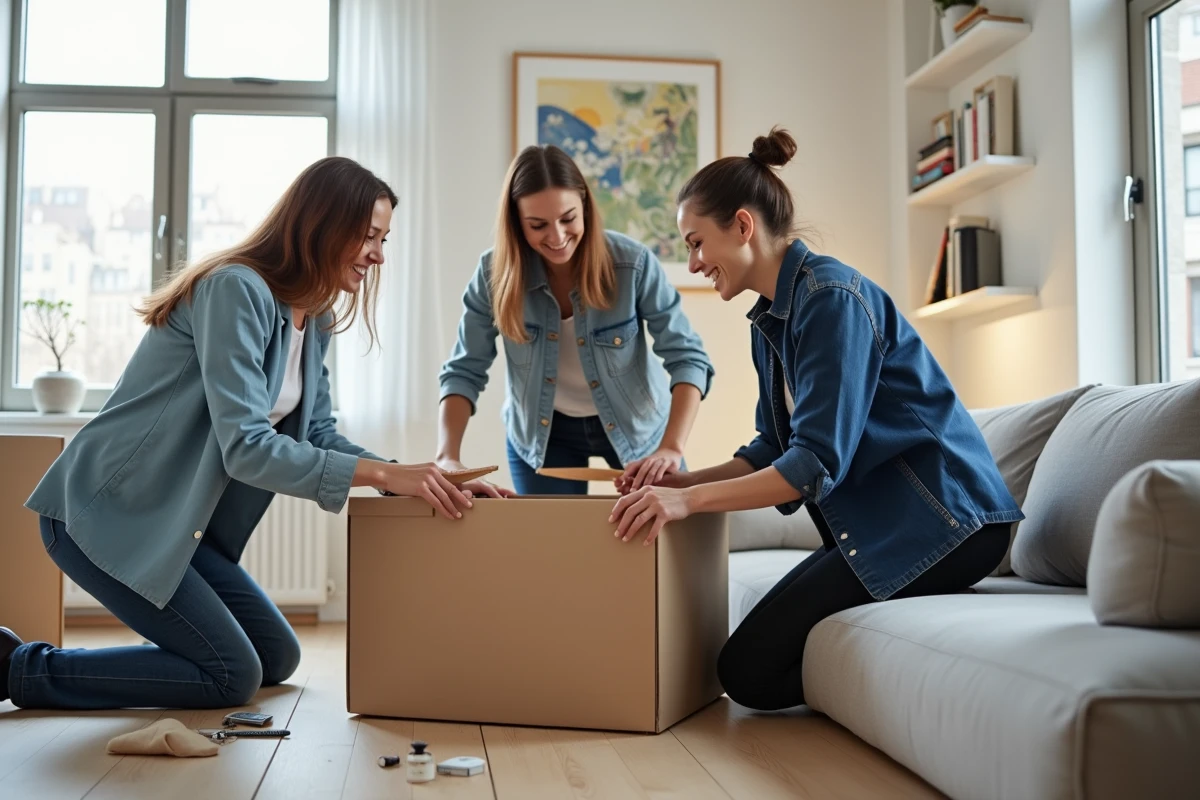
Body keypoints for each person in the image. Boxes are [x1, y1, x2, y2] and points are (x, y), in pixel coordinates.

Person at [1, 157, 483, 711]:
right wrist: (382, 474)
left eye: (384, 238)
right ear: (323, 224)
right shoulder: (236, 290)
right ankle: (16, 669)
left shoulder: (315, 317)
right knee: (232, 675)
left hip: (176, 526)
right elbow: (246, 447)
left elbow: (318, 431)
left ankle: (160, 651)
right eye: (369, 236)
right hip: (108, 513)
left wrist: (417, 479)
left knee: (276, 659)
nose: (378, 254)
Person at [608, 128, 1023, 711]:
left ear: (744, 226)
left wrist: (687, 504)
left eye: (697, 243)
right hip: (890, 526)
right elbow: (770, 446)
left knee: (747, 671)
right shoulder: (772, 319)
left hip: (950, 523)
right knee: (743, 667)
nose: (695, 263)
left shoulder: (831, 298)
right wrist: (681, 482)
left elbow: (813, 465)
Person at [436, 144, 715, 496]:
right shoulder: (493, 274)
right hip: (543, 435)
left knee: (658, 542)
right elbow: (464, 370)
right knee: (555, 549)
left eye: (567, 219)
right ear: (516, 223)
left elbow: (688, 359)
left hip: (637, 426)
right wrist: (448, 457)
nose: (556, 237)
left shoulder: (632, 264)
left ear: (584, 205)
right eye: (538, 225)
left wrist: (671, 448)